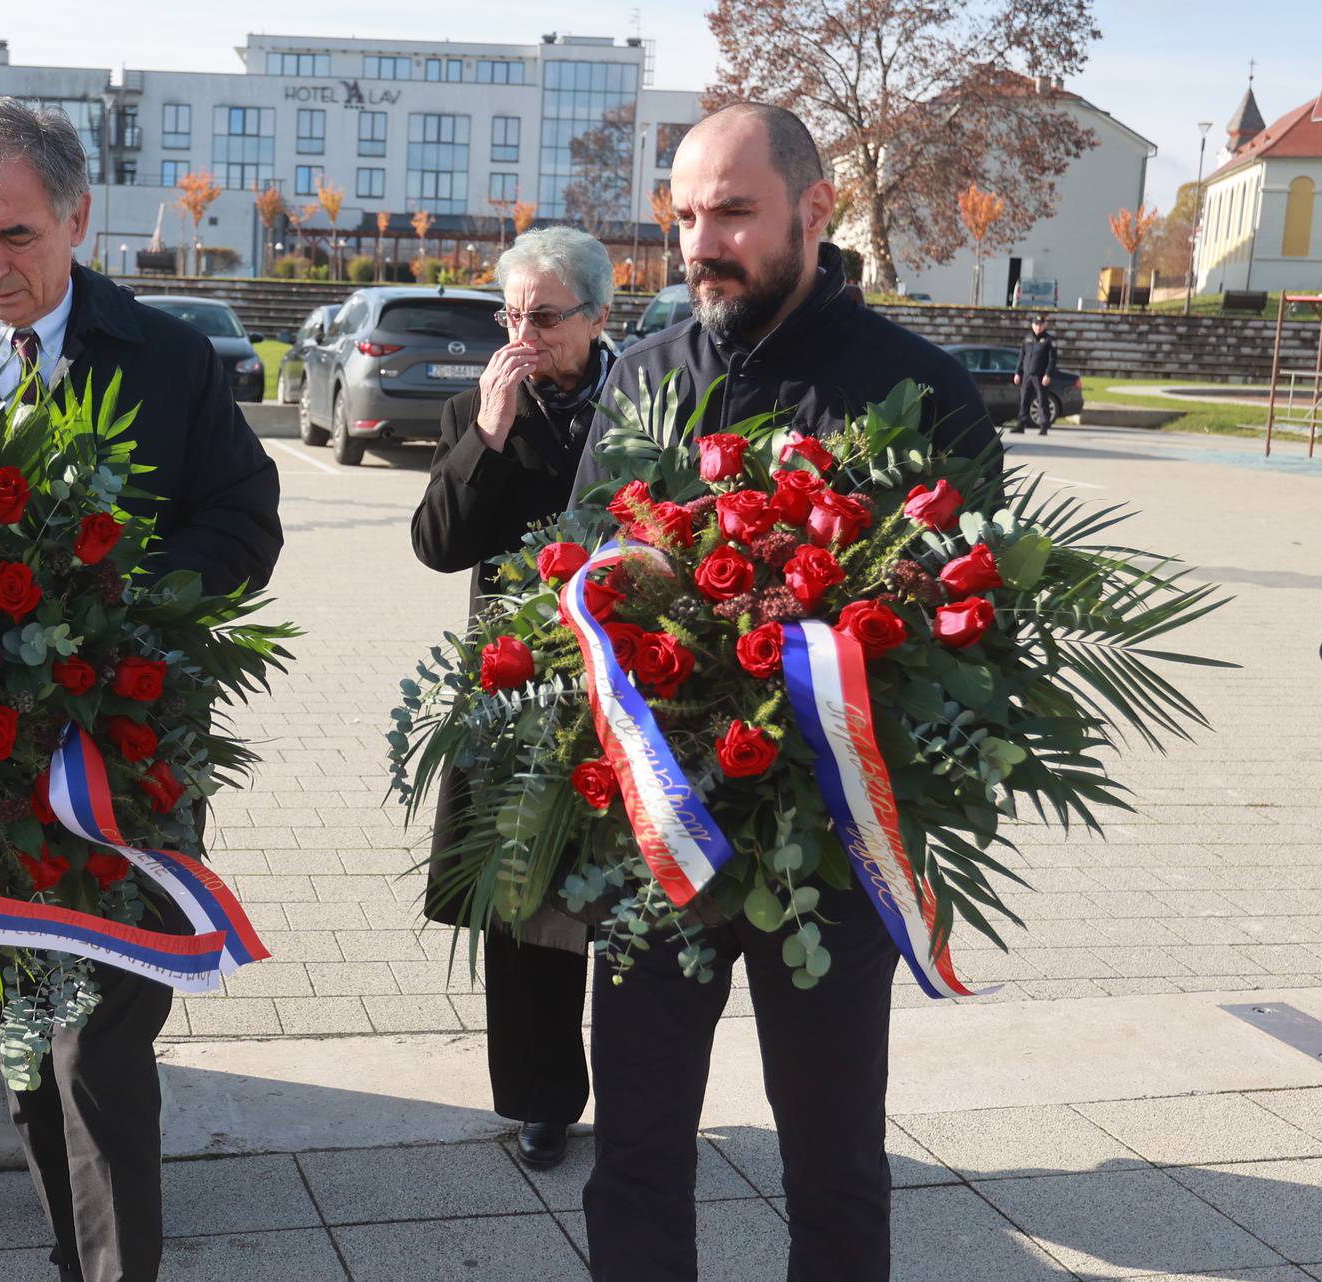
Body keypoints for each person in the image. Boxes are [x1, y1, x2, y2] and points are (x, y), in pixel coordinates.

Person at [0, 97, 283, 1282]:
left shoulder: (172, 361)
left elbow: (245, 523)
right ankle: (75, 1244)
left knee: (100, 1039)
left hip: (127, 763)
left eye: (18, 236)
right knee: (23, 1032)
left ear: (79, 217)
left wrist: (112, 603)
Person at [570, 103, 998, 1282]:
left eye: (735, 213)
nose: (701, 241)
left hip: (834, 852)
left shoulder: (919, 390)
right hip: (661, 841)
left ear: (817, 211)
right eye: (688, 215)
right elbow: (575, 580)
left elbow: (972, 628)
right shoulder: (645, 379)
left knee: (836, 1163)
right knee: (639, 1152)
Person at [409, 226, 617, 1171]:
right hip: (521, 694)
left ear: (597, 315)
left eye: (546, 317)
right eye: (512, 315)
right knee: (526, 904)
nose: (524, 334)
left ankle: (644, 1082)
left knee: (627, 898)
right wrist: (488, 435)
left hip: (637, 681)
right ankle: (543, 1099)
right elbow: (439, 543)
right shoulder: (476, 411)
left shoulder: (652, 398)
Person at [1013, 313, 1059, 434]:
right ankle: (1021, 424)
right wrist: (1017, 372)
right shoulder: (1027, 338)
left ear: (1044, 325)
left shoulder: (1049, 340)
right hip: (1027, 374)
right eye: (1036, 324)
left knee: (1042, 400)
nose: (1038, 327)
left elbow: (1052, 360)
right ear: (1032, 325)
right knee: (1024, 399)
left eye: (1041, 324)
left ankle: (1044, 425)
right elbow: (1021, 356)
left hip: (1040, 375)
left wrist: (1048, 374)